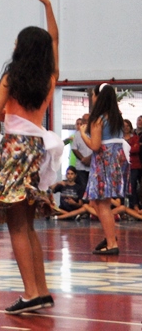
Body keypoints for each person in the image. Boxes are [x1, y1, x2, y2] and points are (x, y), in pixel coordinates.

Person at [0, 0, 61, 314]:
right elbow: (54, 40)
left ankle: (31, 293)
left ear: (23, 49)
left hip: (14, 147)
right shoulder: (49, 76)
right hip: (36, 147)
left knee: (17, 224)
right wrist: (48, 5)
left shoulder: (11, 78)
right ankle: (42, 289)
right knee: (29, 224)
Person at [78, 83, 128, 256]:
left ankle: (112, 242)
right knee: (98, 202)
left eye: (93, 95)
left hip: (102, 163)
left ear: (98, 97)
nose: (92, 98)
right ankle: (110, 236)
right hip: (114, 162)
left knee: (101, 203)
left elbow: (95, 145)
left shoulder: (98, 119)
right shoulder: (116, 118)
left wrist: (83, 133)